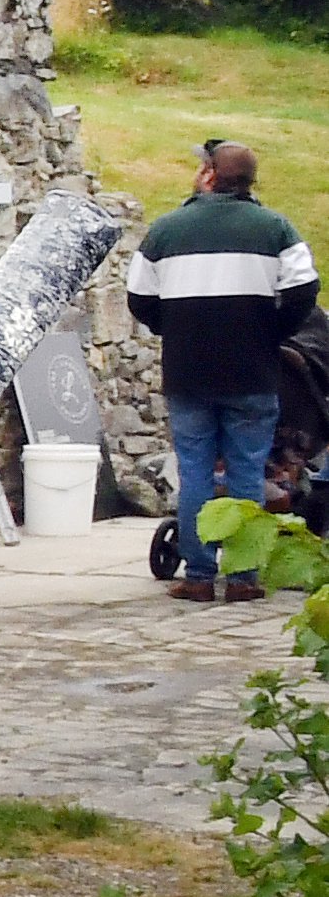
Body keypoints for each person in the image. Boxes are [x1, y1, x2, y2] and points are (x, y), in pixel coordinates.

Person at [133, 140, 315, 600]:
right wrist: (271, 331)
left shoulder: (166, 231)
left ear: (210, 175)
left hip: (188, 372)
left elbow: (139, 297)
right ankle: (242, 576)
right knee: (247, 473)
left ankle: (197, 577)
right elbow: (303, 291)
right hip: (253, 371)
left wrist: (171, 328)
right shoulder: (276, 229)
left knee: (195, 472)